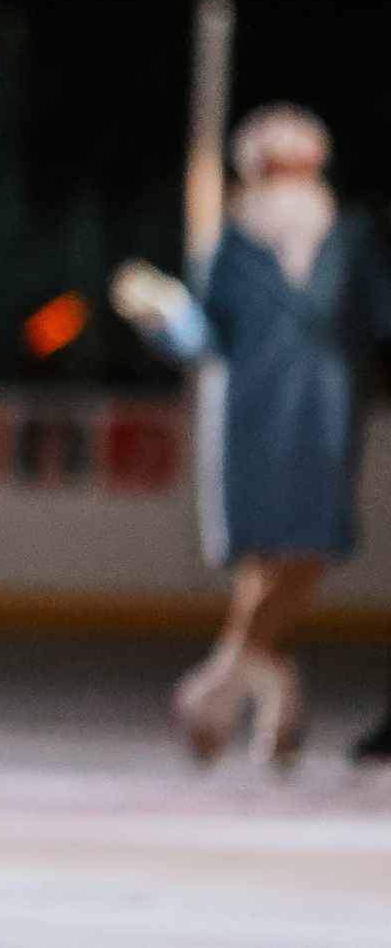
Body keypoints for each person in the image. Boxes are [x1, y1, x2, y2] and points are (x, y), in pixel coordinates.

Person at [112, 102, 391, 769]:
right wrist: (164, 315)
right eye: (277, 167)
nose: (289, 182)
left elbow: (382, 312)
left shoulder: (349, 243)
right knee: (265, 560)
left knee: (304, 552)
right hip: (250, 420)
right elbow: (204, 336)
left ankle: (218, 688)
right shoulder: (229, 249)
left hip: (324, 419)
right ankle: (275, 706)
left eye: (301, 166)